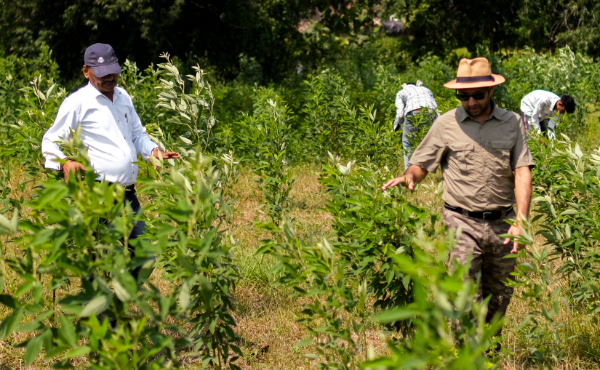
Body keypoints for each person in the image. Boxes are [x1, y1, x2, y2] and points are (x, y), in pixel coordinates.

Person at [383, 57, 534, 341]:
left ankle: (487, 354)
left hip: (503, 224)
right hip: (460, 223)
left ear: (491, 90)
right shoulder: (445, 124)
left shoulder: (512, 123)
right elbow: (421, 164)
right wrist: (410, 177)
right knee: (464, 300)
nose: (471, 102)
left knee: (498, 301)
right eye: (463, 96)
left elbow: (522, 171)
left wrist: (522, 220)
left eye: (477, 95)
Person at [41, 43, 180, 279]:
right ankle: (99, 313)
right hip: (98, 194)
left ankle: (118, 306)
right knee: (99, 263)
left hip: (127, 195)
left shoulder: (123, 97)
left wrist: (153, 150)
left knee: (146, 257)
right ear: (86, 71)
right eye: (103, 73)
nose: (110, 78)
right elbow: (50, 141)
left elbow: (137, 134)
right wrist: (64, 162)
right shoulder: (78, 102)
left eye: (113, 72)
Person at [393, 81, 439, 170]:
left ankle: (408, 171)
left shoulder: (402, 92)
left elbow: (400, 112)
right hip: (429, 112)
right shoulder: (426, 89)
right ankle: (427, 168)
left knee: (407, 143)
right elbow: (436, 108)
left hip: (412, 112)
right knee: (428, 141)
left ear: (405, 86)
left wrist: (396, 126)